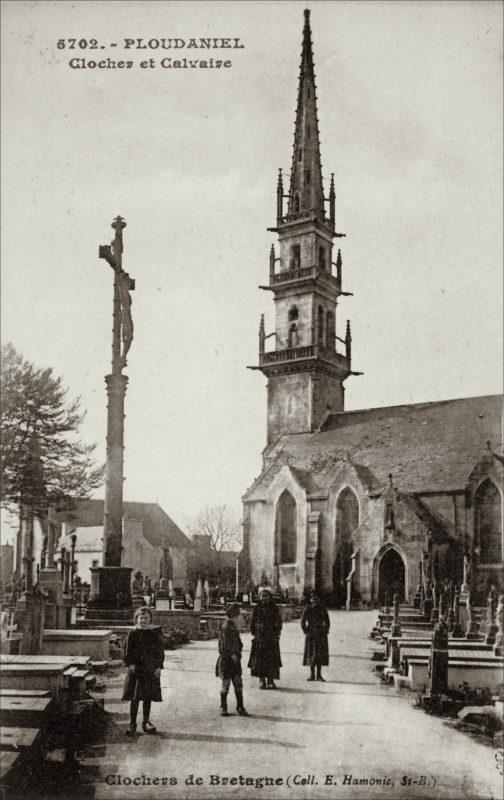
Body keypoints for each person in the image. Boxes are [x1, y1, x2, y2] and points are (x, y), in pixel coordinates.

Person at [122, 606, 164, 736]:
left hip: (149, 670)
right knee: (135, 698)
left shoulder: (154, 635)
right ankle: (132, 723)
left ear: (150, 619)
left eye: (146, 618)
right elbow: (127, 651)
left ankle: (146, 721)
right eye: (141, 618)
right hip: (137, 671)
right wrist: (130, 664)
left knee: (147, 696)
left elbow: (159, 652)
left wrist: (158, 666)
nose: (144, 620)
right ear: (136, 619)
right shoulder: (132, 634)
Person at [216, 603, 249, 717]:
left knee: (238, 683)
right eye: (238, 615)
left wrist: (239, 650)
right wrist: (233, 654)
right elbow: (225, 644)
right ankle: (223, 707)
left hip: (235, 660)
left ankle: (240, 707)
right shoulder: (226, 627)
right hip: (226, 660)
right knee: (225, 683)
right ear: (234, 616)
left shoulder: (234, 627)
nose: (240, 617)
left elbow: (239, 642)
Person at [248, 587, 282, 689]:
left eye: (266, 596)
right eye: (262, 596)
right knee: (260, 659)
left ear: (269, 597)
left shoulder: (274, 608)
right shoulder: (257, 608)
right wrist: (254, 632)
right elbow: (252, 621)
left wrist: (278, 632)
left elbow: (279, 621)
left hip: (271, 637)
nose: (264, 598)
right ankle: (262, 680)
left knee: (271, 659)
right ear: (260, 597)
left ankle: (270, 680)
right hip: (260, 636)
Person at [301, 593, 330, 681]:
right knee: (311, 654)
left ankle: (319, 675)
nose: (314, 601)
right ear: (310, 600)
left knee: (320, 654)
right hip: (311, 634)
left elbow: (327, 621)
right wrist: (306, 630)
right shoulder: (308, 610)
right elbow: (302, 621)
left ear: (318, 600)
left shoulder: (323, 609)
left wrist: (325, 630)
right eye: (313, 599)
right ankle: (312, 675)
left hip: (321, 634)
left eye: (316, 599)